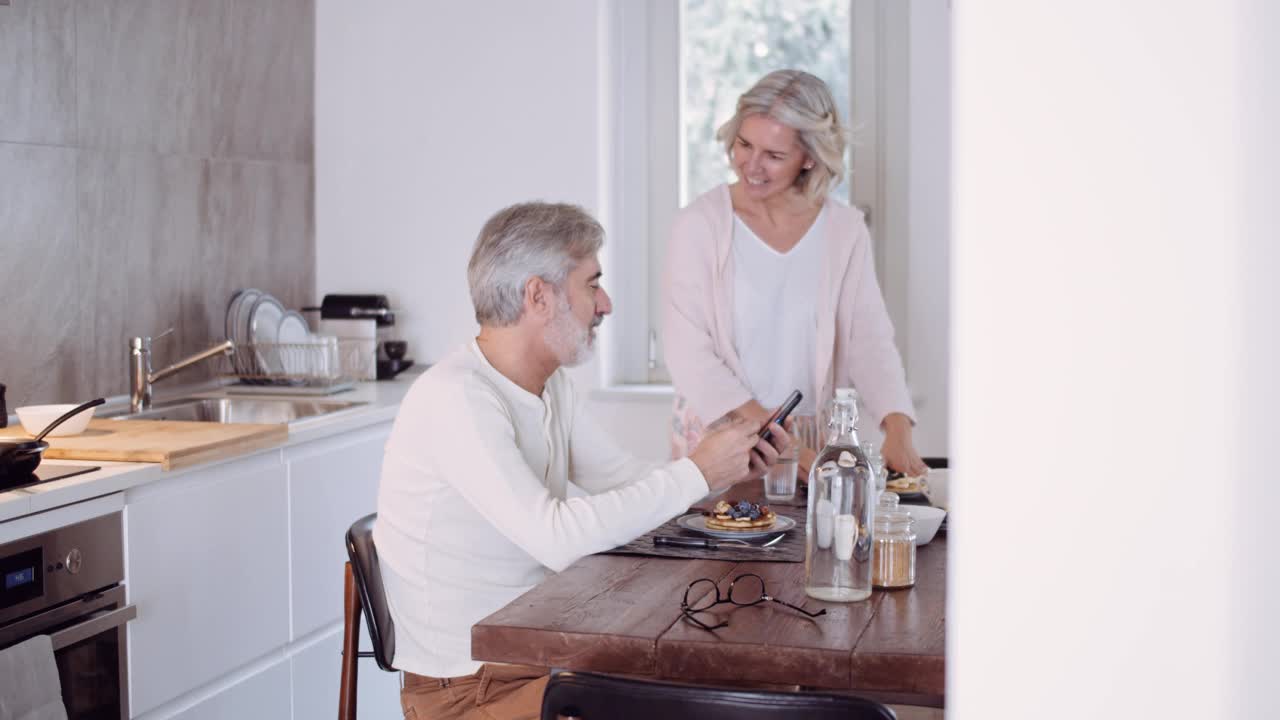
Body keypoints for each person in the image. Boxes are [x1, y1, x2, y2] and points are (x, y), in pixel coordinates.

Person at [374, 202, 792, 720]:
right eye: (592, 283)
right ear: (538, 296)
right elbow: (558, 535)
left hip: (536, 657)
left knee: (724, 675)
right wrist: (697, 472)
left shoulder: (550, 388)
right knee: (704, 696)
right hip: (470, 692)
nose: (606, 303)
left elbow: (626, 480)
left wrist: (723, 467)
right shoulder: (455, 397)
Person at [663, 69, 927, 479]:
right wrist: (781, 441)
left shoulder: (844, 230)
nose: (751, 165)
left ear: (808, 158)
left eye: (774, 155)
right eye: (744, 144)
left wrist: (897, 427)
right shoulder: (698, 225)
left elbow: (869, 339)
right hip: (722, 434)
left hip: (807, 439)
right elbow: (688, 355)